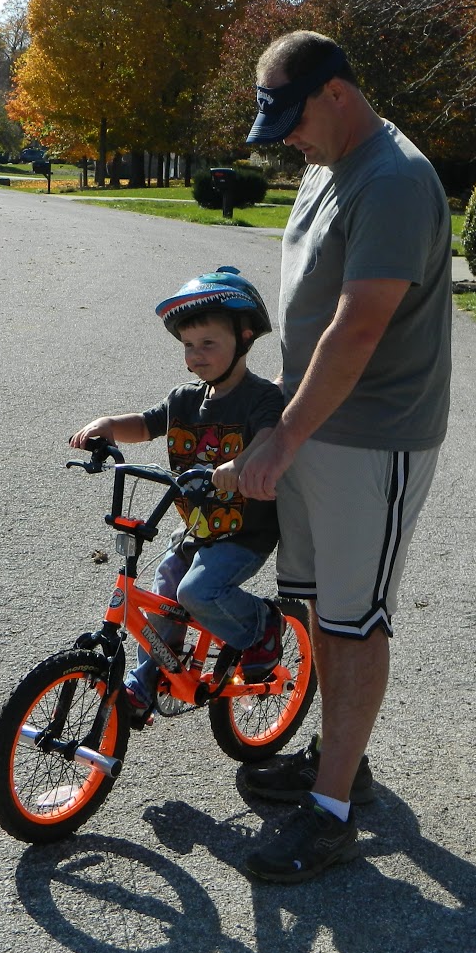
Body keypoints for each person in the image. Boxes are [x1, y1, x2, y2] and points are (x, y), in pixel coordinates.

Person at [231, 31, 453, 882]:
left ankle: (329, 814)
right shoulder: (328, 166)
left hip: (372, 439)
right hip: (313, 428)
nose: (287, 138)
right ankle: (338, 761)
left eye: (293, 118)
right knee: (321, 608)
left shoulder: (392, 180)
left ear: (336, 92)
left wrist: (285, 436)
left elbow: (357, 327)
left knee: (356, 622)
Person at [68, 267, 287, 722]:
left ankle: (262, 625)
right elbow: (146, 424)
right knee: (164, 587)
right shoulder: (184, 399)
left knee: (198, 590)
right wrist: (109, 426)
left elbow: (270, 439)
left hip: (244, 533)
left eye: (209, 344)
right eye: (189, 345)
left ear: (244, 340)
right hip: (198, 529)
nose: (197, 355)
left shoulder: (261, 397)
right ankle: (151, 676)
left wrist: (240, 465)